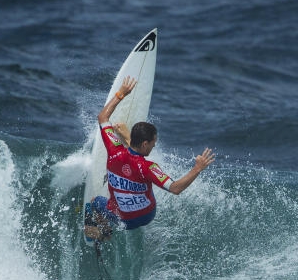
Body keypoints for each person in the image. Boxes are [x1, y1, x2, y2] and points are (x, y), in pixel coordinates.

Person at [84, 76, 215, 241]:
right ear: (145, 143)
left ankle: (103, 232)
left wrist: (121, 93)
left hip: (122, 220)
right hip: (147, 215)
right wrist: (198, 168)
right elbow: (175, 188)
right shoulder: (150, 167)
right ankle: (126, 139)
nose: (155, 145)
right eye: (153, 142)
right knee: (141, 176)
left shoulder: (113, 149)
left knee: (94, 202)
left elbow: (102, 117)